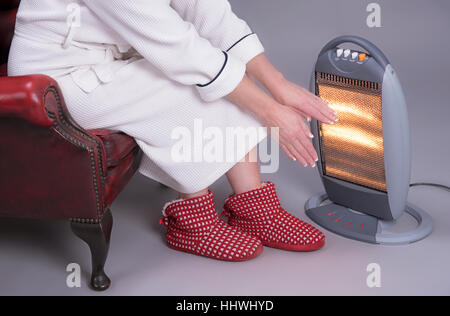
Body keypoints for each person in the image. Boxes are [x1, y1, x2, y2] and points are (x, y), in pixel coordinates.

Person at [9, 0, 337, 261]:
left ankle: (253, 208)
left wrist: (278, 85)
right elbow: (179, 49)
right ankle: (190, 222)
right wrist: (270, 111)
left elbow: (210, 13)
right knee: (189, 87)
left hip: (108, 59)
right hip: (57, 77)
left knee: (225, 75)